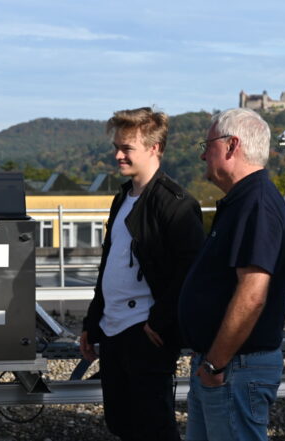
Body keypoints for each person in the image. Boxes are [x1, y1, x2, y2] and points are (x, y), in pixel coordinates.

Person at [80, 107, 204, 440]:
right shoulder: (122, 198)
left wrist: (159, 322)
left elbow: (190, 271)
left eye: (127, 148)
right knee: (121, 421)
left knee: (153, 426)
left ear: (155, 149)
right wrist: (92, 324)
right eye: (117, 147)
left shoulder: (176, 204)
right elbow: (111, 265)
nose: (118, 155)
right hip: (114, 329)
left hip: (146, 333)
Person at [178, 108, 285, 441]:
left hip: (233, 368)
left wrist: (215, 364)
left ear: (231, 146)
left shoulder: (255, 203)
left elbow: (253, 294)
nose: (203, 153)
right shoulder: (242, 201)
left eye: (208, 144)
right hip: (222, 366)